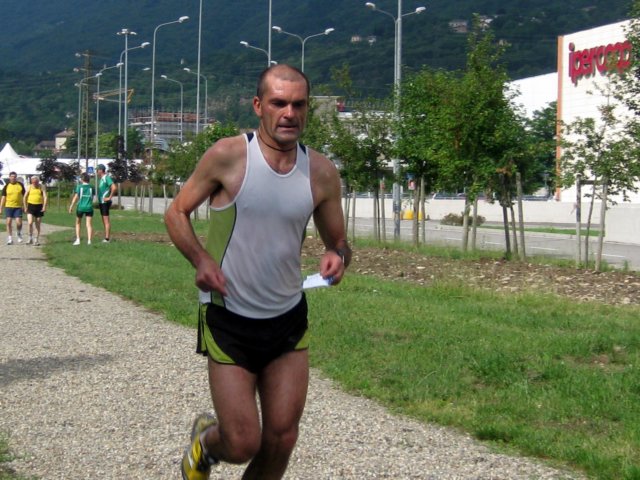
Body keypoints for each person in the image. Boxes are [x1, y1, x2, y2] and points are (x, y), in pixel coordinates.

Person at [165, 64, 351, 480]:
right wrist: (201, 260)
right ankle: (205, 442)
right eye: (279, 103)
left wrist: (337, 256)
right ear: (258, 106)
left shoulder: (321, 172)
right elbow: (176, 212)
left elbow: (339, 242)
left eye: (299, 104)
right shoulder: (229, 156)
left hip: (287, 319)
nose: (289, 113)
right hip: (229, 317)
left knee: (282, 439)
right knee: (242, 442)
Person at [68, 173, 95, 245]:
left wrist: (71, 206)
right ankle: (89, 241)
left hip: (80, 207)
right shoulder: (92, 187)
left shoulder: (79, 187)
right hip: (89, 207)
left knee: (78, 223)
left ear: (82, 179)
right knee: (89, 224)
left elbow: (75, 197)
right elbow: (92, 197)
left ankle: (78, 240)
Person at [0, 172, 26, 245]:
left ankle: (18, 233)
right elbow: (3, 198)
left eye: (14, 176)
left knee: (19, 223)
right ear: (9, 177)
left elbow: (24, 196)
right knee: (8, 222)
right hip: (8, 206)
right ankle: (10, 238)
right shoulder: (6, 186)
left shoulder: (20, 185)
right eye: (11, 176)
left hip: (18, 207)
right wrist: (0, 208)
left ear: (16, 177)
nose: (13, 178)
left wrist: (25, 206)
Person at [23, 175, 48, 246]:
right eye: (33, 182)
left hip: (39, 206)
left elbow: (45, 197)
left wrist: (44, 207)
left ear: (38, 181)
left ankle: (36, 240)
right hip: (30, 206)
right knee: (30, 222)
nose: (35, 183)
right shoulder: (29, 187)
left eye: (36, 182)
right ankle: (30, 238)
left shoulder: (42, 186)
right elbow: (24, 197)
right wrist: (25, 207)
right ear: (31, 182)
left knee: (38, 223)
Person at [97, 164, 116, 242]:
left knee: (106, 220)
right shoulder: (101, 179)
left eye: (97, 170)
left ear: (101, 170)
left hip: (105, 202)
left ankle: (107, 238)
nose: (96, 171)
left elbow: (114, 187)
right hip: (101, 202)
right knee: (103, 220)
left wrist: (109, 197)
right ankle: (106, 236)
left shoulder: (106, 178)